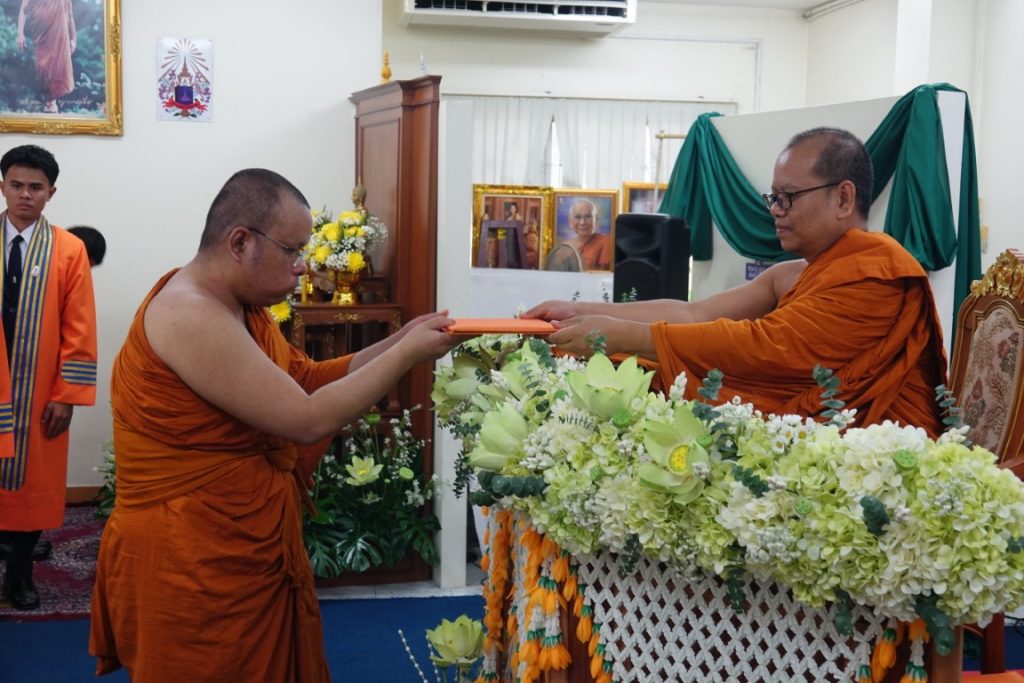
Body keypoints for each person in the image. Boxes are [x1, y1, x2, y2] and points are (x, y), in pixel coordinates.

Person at [88, 169, 459, 681]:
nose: (302, 266)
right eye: (292, 250)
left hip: (239, 540)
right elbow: (306, 419)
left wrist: (403, 339)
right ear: (240, 242)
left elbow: (303, 380)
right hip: (189, 552)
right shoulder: (190, 313)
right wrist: (408, 355)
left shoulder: (238, 305)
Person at [526, 128, 948, 436]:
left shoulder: (878, 272)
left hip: (879, 456)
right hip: (808, 436)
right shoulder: (791, 273)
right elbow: (697, 313)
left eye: (788, 197)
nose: (775, 210)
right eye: (773, 197)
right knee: (634, 376)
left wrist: (627, 336)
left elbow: (767, 346)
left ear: (842, 197)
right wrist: (579, 311)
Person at [0, 144, 97, 611]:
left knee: (32, 483)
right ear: (2, 186)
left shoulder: (69, 249)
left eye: (35, 187)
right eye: (16, 185)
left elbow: (80, 326)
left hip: (38, 391)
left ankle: (20, 575)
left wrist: (68, 395)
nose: (25, 194)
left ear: (51, 193)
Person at [16, 0, 77, 114]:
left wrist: (73, 38)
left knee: (57, 64)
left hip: (59, 33)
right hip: (40, 33)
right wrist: (20, 34)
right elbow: (23, 10)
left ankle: (51, 103)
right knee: (43, 67)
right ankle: (49, 101)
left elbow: (69, 13)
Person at [549, 199, 613, 271]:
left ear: (596, 219)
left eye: (588, 216)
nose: (582, 223)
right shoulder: (563, 248)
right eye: (577, 217)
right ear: (570, 221)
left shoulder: (607, 242)